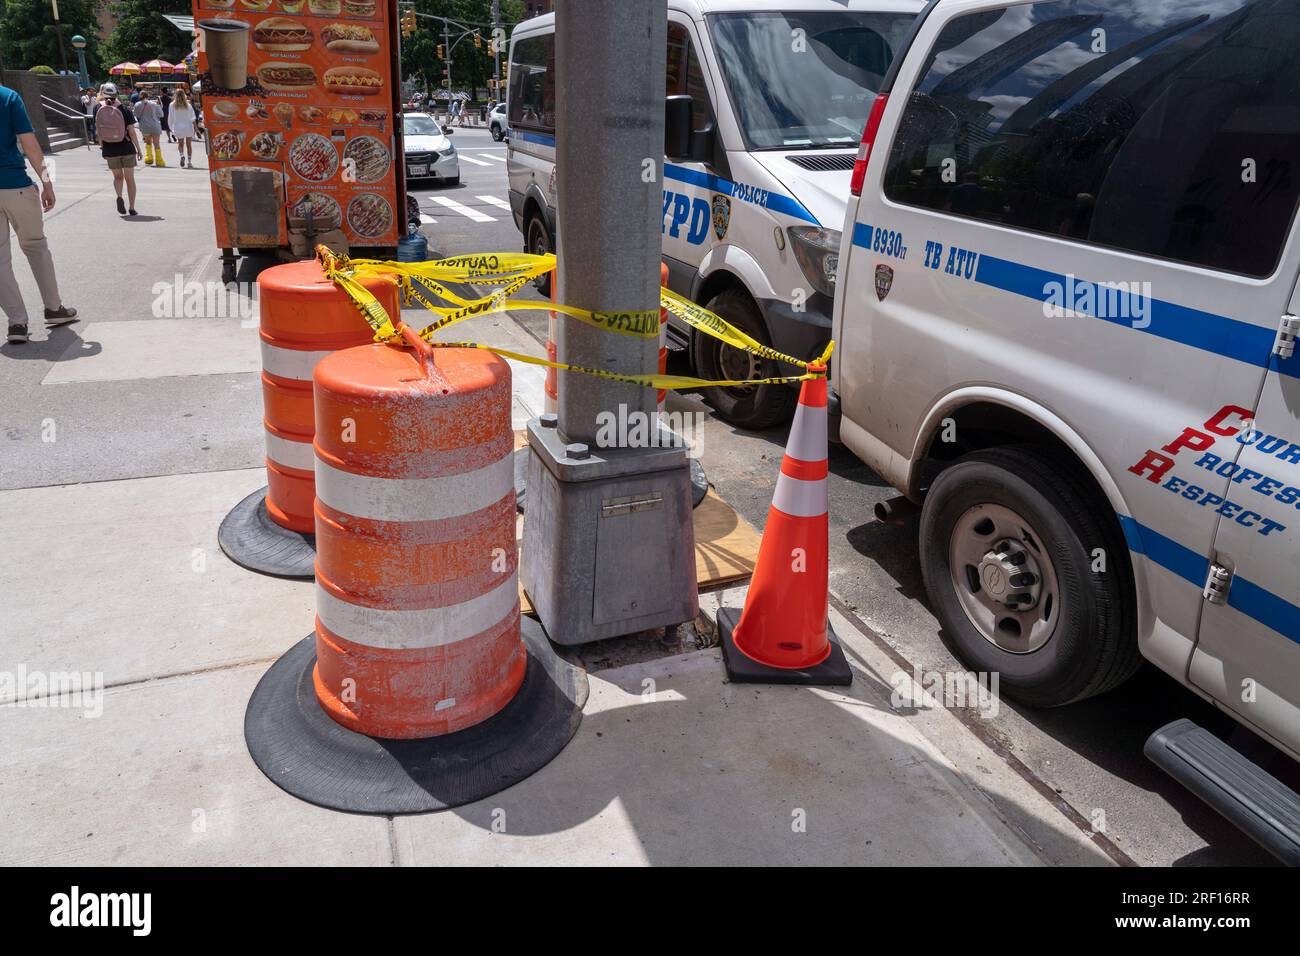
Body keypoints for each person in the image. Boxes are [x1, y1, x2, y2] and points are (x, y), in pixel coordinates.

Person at [1, 83, 77, 344]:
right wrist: (47, 182)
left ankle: (17, 323)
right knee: (36, 246)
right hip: (15, 186)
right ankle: (54, 308)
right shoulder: (8, 97)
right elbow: (30, 144)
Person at [93, 83, 143, 216]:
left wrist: (103, 147)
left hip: (110, 148)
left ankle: (119, 196)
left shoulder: (97, 108)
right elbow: (131, 131)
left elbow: (99, 131)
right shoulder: (124, 108)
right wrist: (138, 148)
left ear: (103, 94)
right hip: (126, 147)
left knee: (117, 177)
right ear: (116, 94)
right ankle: (132, 207)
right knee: (130, 179)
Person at [134, 91, 165, 167]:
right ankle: (159, 160)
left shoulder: (137, 104)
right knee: (156, 144)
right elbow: (161, 115)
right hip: (155, 125)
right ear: (147, 96)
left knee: (148, 142)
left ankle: (149, 158)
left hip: (145, 126)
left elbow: (136, 114)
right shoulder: (154, 104)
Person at [169, 87, 196, 168]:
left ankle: (181, 155)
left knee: (180, 144)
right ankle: (189, 162)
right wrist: (196, 128)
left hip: (178, 127)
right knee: (189, 144)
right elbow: (193, 117)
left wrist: (171, 128)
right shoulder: (188, 105)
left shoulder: (172, 105)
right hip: (188, 127)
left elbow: (170, 117)